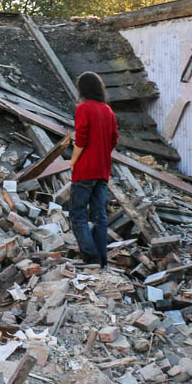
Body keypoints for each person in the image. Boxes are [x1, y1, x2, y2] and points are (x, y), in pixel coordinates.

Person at [69, 71, 118, 267]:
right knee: (100, 215)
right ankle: (102, 259)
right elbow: (114, 139)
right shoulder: (108, 110)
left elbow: (81, 138)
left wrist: (73, 161)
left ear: (83, 89)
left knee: (78, 213)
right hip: (103, 169)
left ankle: (90, 258)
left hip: (85, 169)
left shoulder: (83, 108)